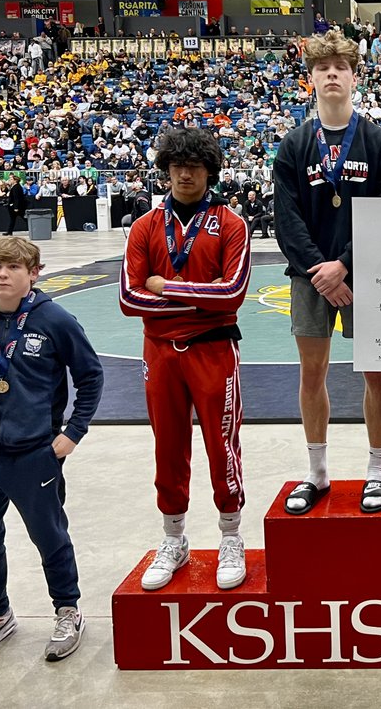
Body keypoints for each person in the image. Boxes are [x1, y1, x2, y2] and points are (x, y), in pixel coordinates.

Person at [0, 237, 103, 664]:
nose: (3, 274)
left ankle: (67, 610)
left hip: (34, 456)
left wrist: (73, 433)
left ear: (34, 272)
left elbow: (90, 376)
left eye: (12, 266)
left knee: (51, 538)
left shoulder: (55, 320)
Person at [273, 30, 381, 514]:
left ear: (354, 76)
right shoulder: (293, 145)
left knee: (375, 371)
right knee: (312, 372)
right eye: (322, 68)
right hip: (309, 278)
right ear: (310, 79)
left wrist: (345, 264)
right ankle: (318, 473)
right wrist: (319, 270)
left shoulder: (378, 142)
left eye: (340, 67)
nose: (331, 74)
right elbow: (286, 219)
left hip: (365, 274)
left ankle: (376, 470)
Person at [119, 128, 253, 592]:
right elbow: (127, 299)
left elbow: (233, 293)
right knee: (167, 446)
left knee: (222, 446)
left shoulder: (232, 224)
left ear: (209, 171)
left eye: (194, 165)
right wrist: (200, 298)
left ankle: (231, 536)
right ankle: (173, 539)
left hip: (214, 349)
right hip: (160, 353)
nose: (184, 172)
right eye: (176, 165)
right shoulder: (145, 226)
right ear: (165, 170)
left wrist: (166, 286)